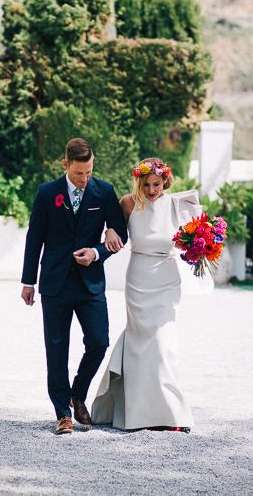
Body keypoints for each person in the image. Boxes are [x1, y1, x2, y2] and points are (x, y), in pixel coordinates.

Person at [21, 138, 127, 435]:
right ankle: (62, 414)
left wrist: (97, 252)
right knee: (56, 349)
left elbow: (120, 234)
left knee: (98, 341)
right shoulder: (46, 193)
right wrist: (28, 280)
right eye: (79, 173)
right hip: (54, 282)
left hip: (89, 282)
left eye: (89, 172)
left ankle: (77, 392)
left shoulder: (104, 192)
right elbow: (34, 239)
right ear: (65, 165)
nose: (84, 179)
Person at [91, 158, 198, 433]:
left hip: (166, 279)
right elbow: (110, 225)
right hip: (138, 278)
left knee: (164, 345)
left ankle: (171, 415)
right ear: (139, 182)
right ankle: (137, 417)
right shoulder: (128, 203)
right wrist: (112, 229)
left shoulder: (177, 204)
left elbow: (197, 237)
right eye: (147, 184)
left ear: (165, 182)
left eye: (157, 184)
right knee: (140, 346)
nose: (152, 190)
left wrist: (203, 247)